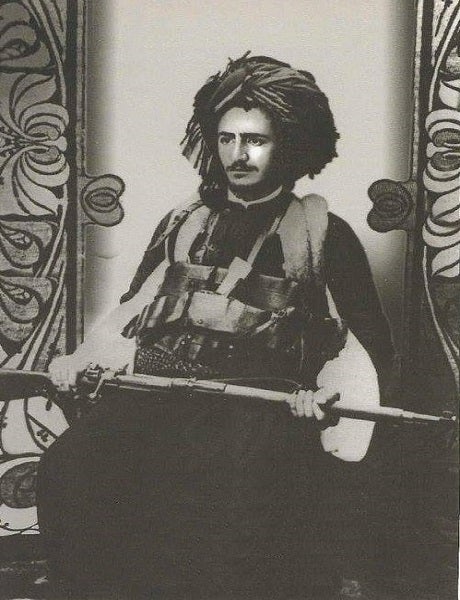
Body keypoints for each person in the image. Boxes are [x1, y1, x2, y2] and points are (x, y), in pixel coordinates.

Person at [37, 54, 394, 599]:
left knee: (220, 498)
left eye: (255, 140)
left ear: (288, 144)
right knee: (71, 466)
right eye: (227, 139)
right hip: (160, 395)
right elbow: (132, 312)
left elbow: (367, 346)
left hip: (260, 408)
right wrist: (80, 363)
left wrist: (326, 400)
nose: (237, 155)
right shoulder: (183, 223)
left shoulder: (324, 234)